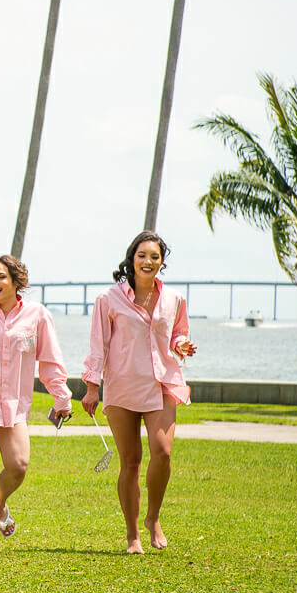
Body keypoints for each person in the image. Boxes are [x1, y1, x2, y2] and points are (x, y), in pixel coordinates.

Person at [82, 231, 197, 554]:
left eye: (155, 256)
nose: (148, 261)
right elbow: (98, 344)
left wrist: (181, 344)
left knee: (163, 451)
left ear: (162, 262)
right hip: (122, 385)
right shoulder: (108, 299)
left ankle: (153, 517)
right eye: (142, 255)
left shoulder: (174, 299)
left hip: (161, 382)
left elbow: (177, 333)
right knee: (130, 460)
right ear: (132, 258)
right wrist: (92, 387)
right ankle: (132, 536)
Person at [0, 254, 72, 552]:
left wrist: (61, 396)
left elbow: (49, 360)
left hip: (14, 406)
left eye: (1, 277)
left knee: (18, 465)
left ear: (16, 281)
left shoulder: (37, 315)